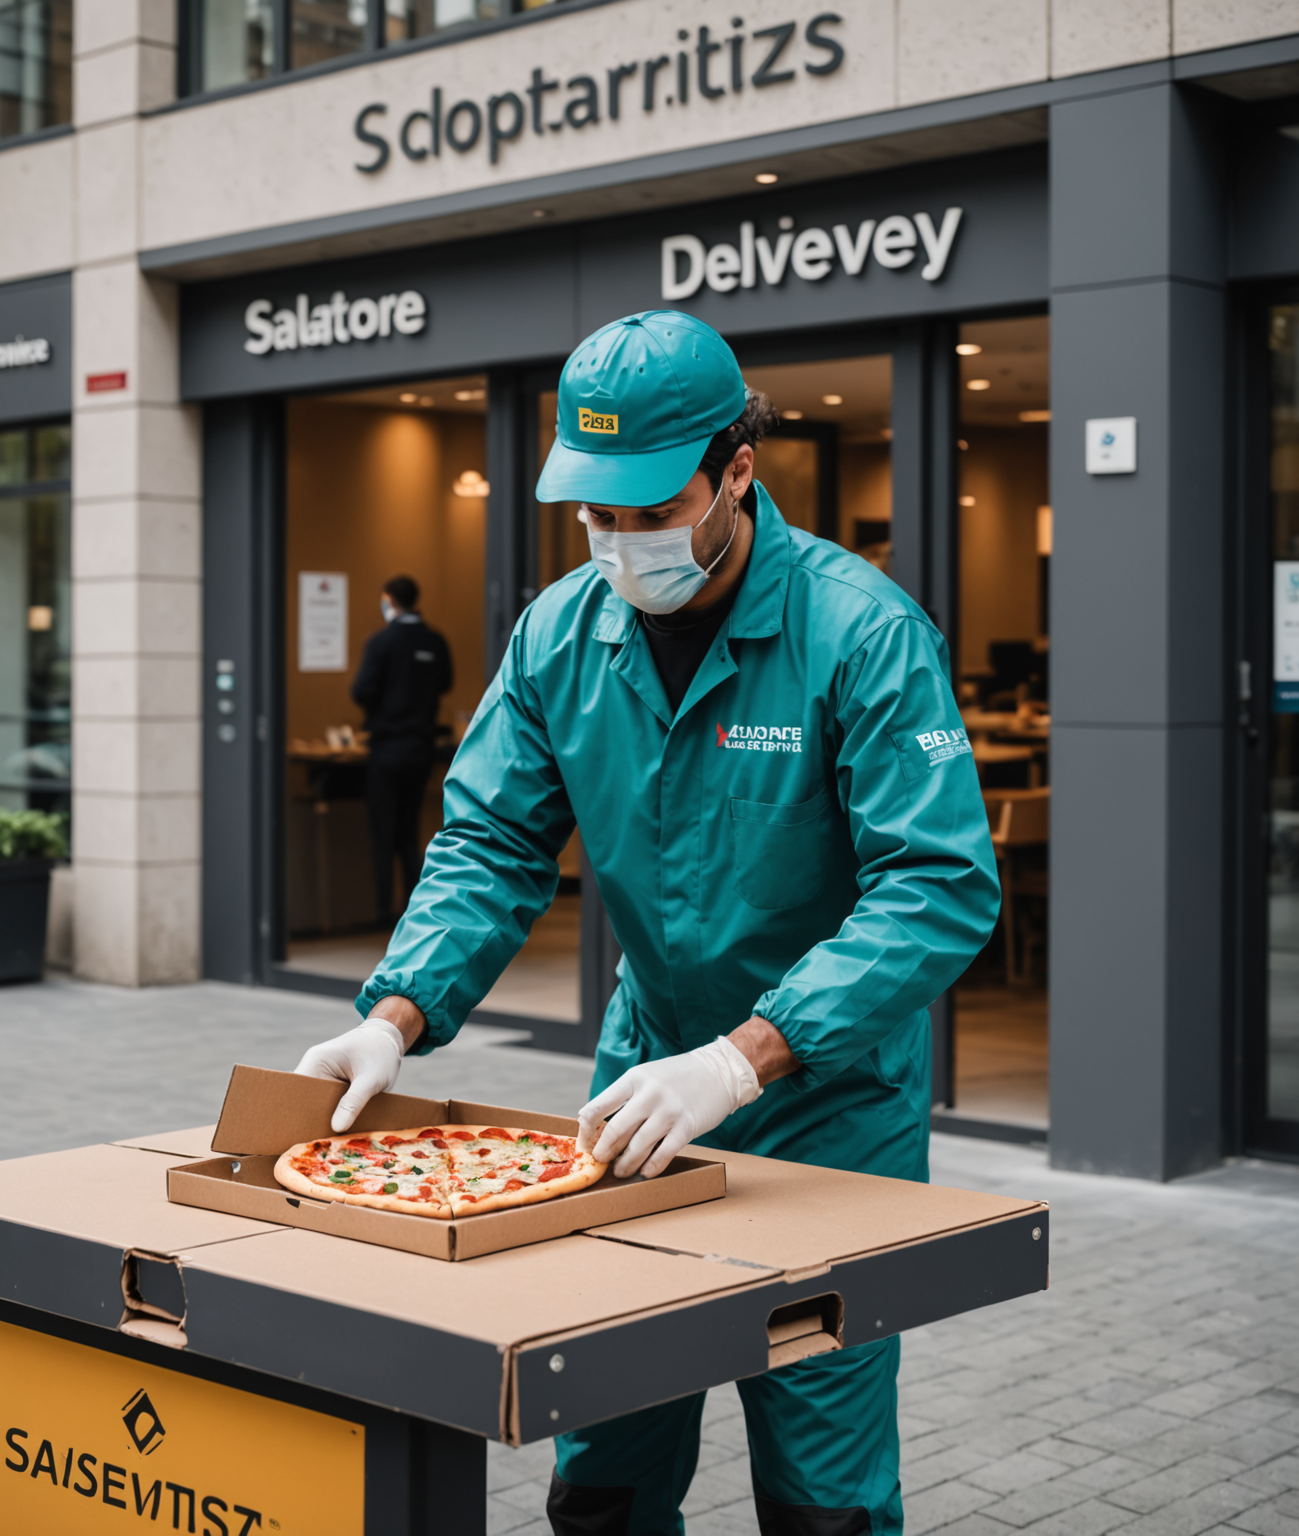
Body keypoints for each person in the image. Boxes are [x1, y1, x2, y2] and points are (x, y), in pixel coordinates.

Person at [300, 312, 999, 1536]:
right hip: (643, 1090)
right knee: (606, 1459)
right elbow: (491, 839)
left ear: (738, 470)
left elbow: (936, 888)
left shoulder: (862, 633)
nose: (621, 542)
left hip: (828, 1107)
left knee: (821, 1487)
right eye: (596, 513)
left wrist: (747, 1058)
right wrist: (395, 1017)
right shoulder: (560, 635)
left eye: (650, 508)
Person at [350, 575, 453, 926]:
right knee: (410, 833)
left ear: (388, 600)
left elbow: (361, 690)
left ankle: (382, 911)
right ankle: (412, 909)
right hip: (421, 748)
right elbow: (445, 683)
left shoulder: (381, 642)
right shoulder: (434, 641)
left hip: (388, 747)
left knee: (383, 832)